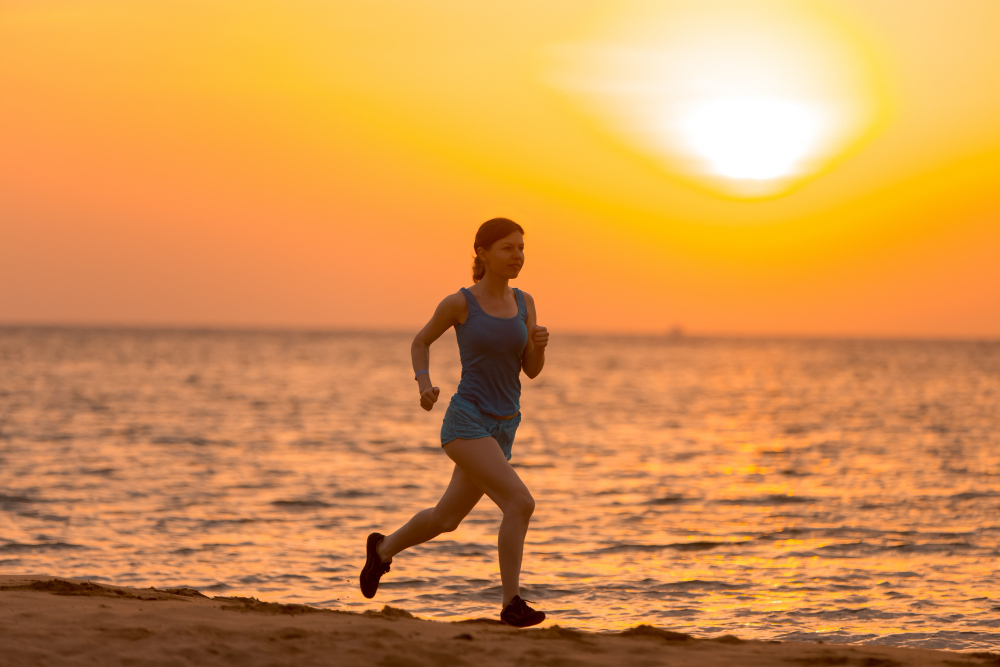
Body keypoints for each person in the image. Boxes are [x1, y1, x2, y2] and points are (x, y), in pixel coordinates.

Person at [359, 217, 549, 628]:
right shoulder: (460, 303)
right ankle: (511, 602)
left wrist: (538, 346)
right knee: (520, 502)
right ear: (482, 253)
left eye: (521, 247)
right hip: (466, 421)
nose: (517, 255)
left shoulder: (526, 302)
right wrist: (423, 383)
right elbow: (420, 341)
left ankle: (382, 550)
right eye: (507, 248)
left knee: (446, 519)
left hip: (504, 426)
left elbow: (531, 371)